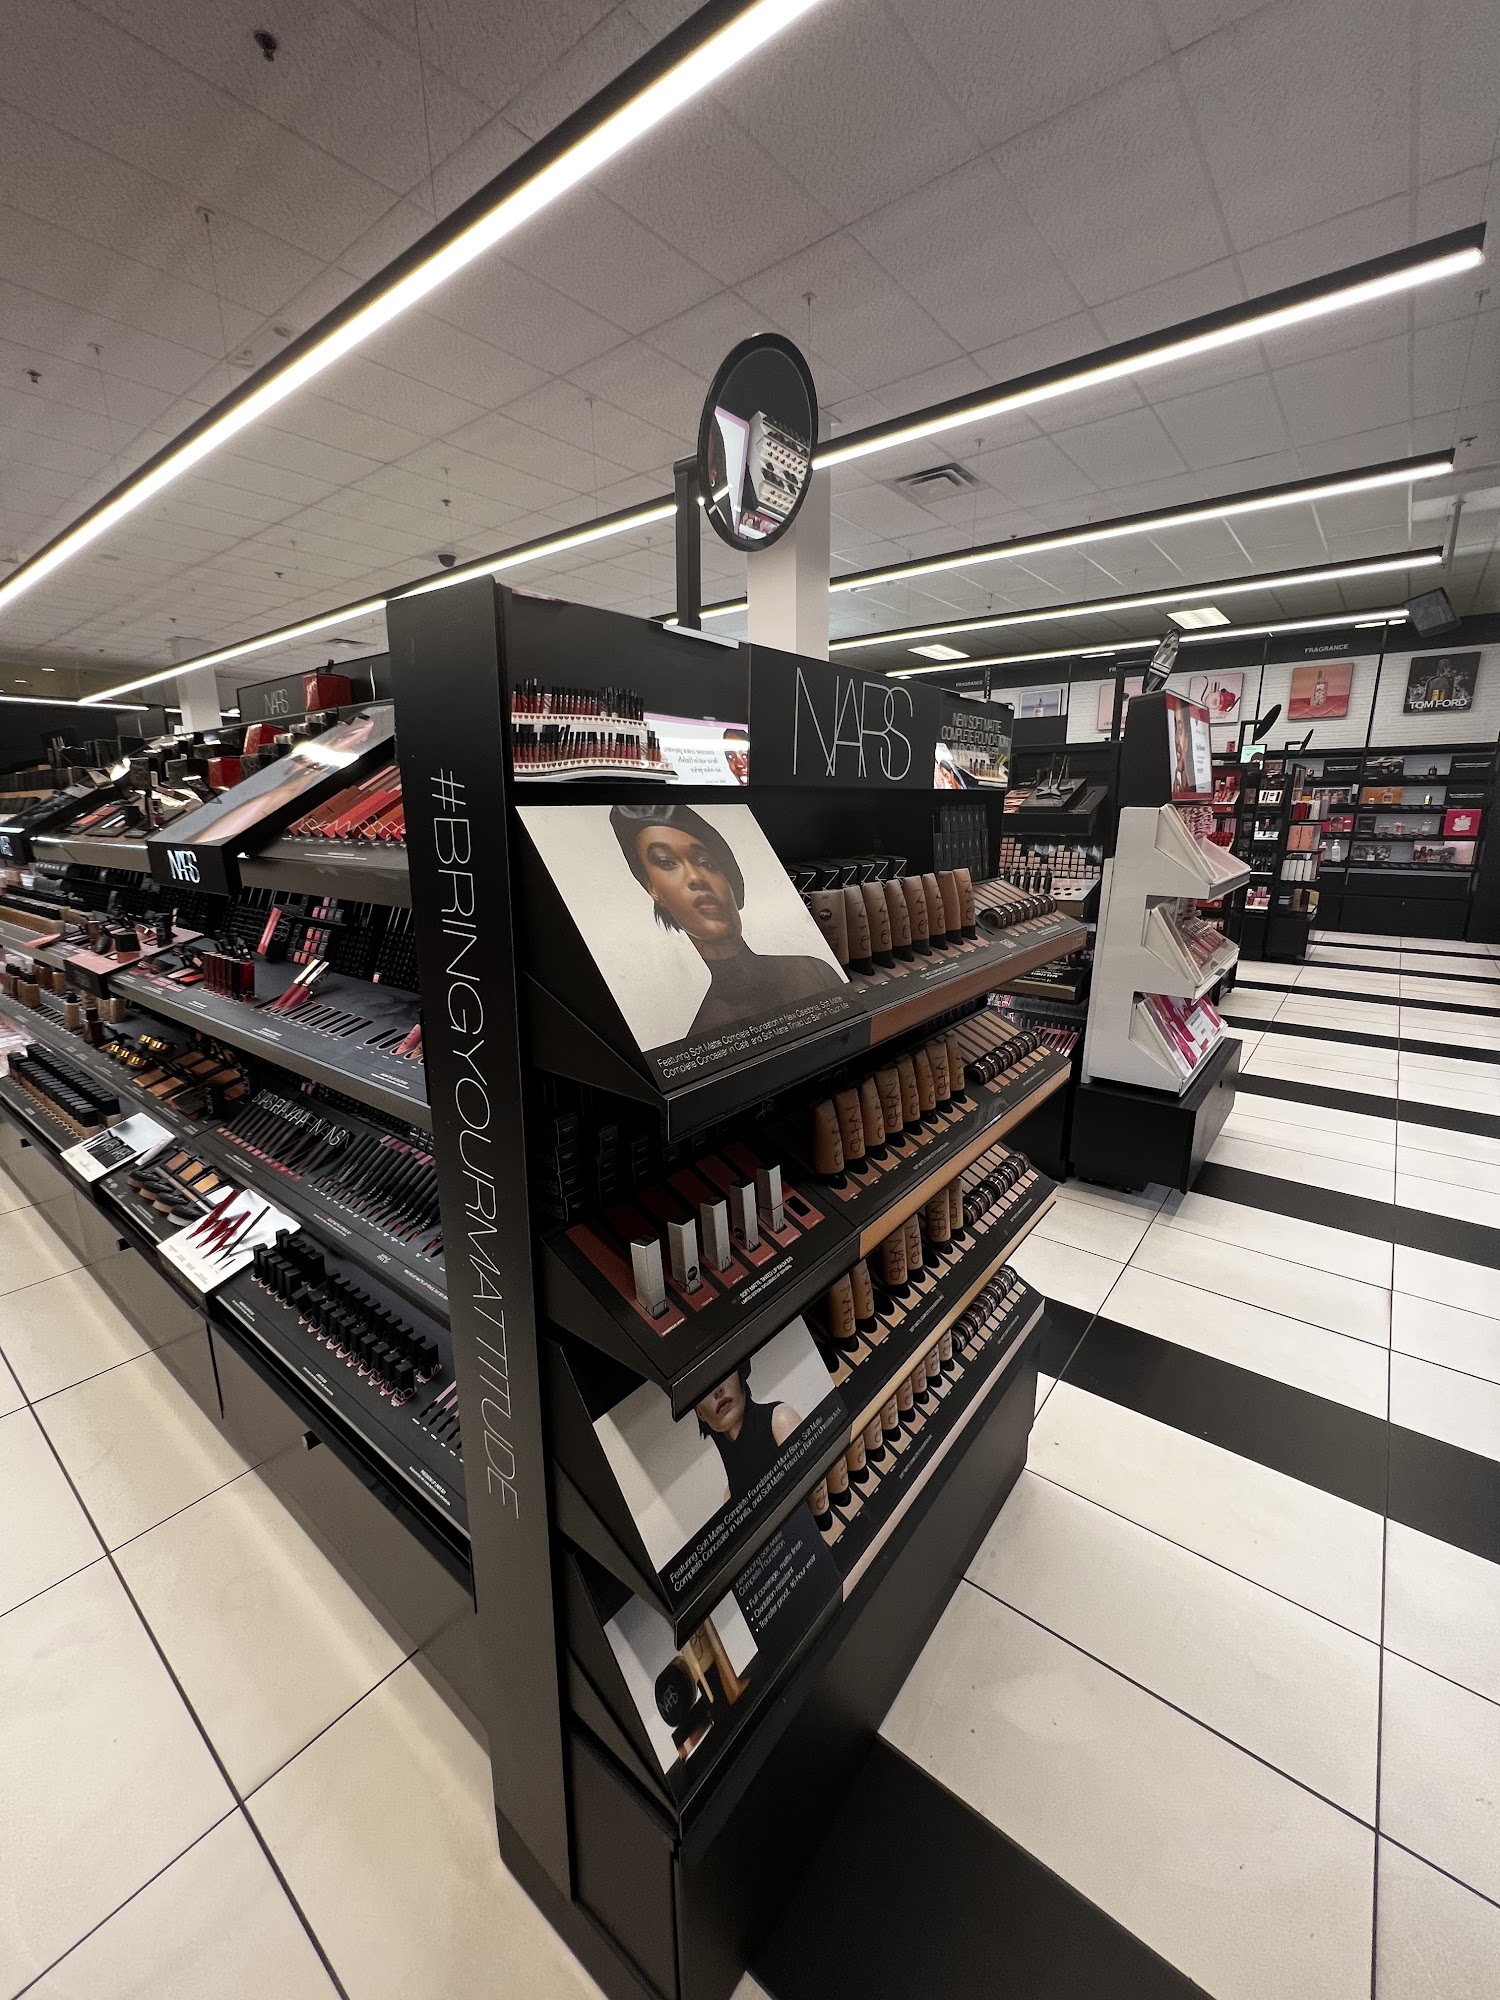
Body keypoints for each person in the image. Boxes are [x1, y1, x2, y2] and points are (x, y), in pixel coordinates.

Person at [610, 803, 843, 1039]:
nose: (695, 877)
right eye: (666, 862)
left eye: (706, 863)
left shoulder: (815, 972)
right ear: (652, 888)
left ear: (730, 883)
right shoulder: (702, 1033)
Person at [694, 1360, 800, 1507]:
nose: (717, 1390)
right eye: (703, 1387)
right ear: (699, 1412)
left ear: (739, 1374)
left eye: (723, 1371)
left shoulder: (780, 1420)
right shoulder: (729, 1497)